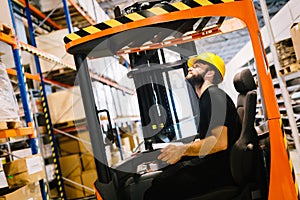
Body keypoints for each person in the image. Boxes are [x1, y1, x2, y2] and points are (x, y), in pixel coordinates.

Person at [144, 52, 242, 200]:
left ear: (210, 74)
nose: (190, 68)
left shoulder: (213, 95)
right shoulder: (207, 98)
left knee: (158, 188)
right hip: (216, 167)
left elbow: (219, 142)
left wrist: (183, 150)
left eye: (196, 66)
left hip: (217, 173)